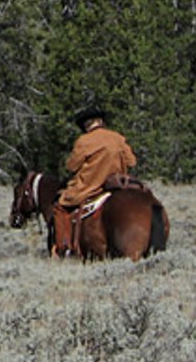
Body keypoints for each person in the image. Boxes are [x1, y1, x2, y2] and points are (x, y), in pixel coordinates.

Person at [53, 107, 139, 255]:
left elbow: (72, 166)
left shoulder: (84, 141)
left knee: (60, 206)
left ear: (87, 125)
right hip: (116, 184)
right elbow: (132, 162)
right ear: (101, 121)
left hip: (91, 186)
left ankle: (64, 246)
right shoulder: (118, 137)